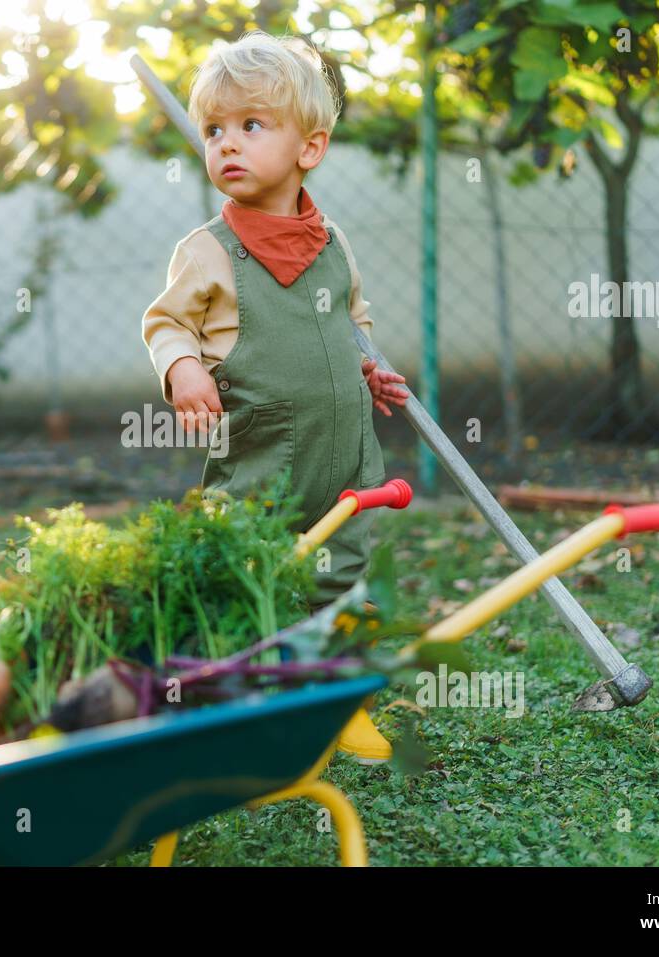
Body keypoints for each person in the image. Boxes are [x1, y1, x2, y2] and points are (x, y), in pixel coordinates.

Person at [141, 31, 410, 763]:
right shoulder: (207, 251)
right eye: (214, 130)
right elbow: (166, 323)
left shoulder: (332, 243)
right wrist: (185, 369)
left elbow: (350, 321)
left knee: (344, 574)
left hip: (345, 452)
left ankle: (339, 703)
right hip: (261, 456)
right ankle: (238, 695)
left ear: (309, 149)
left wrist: (369, 367)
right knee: (254, 572)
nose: (226, 144)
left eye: (251, 125)